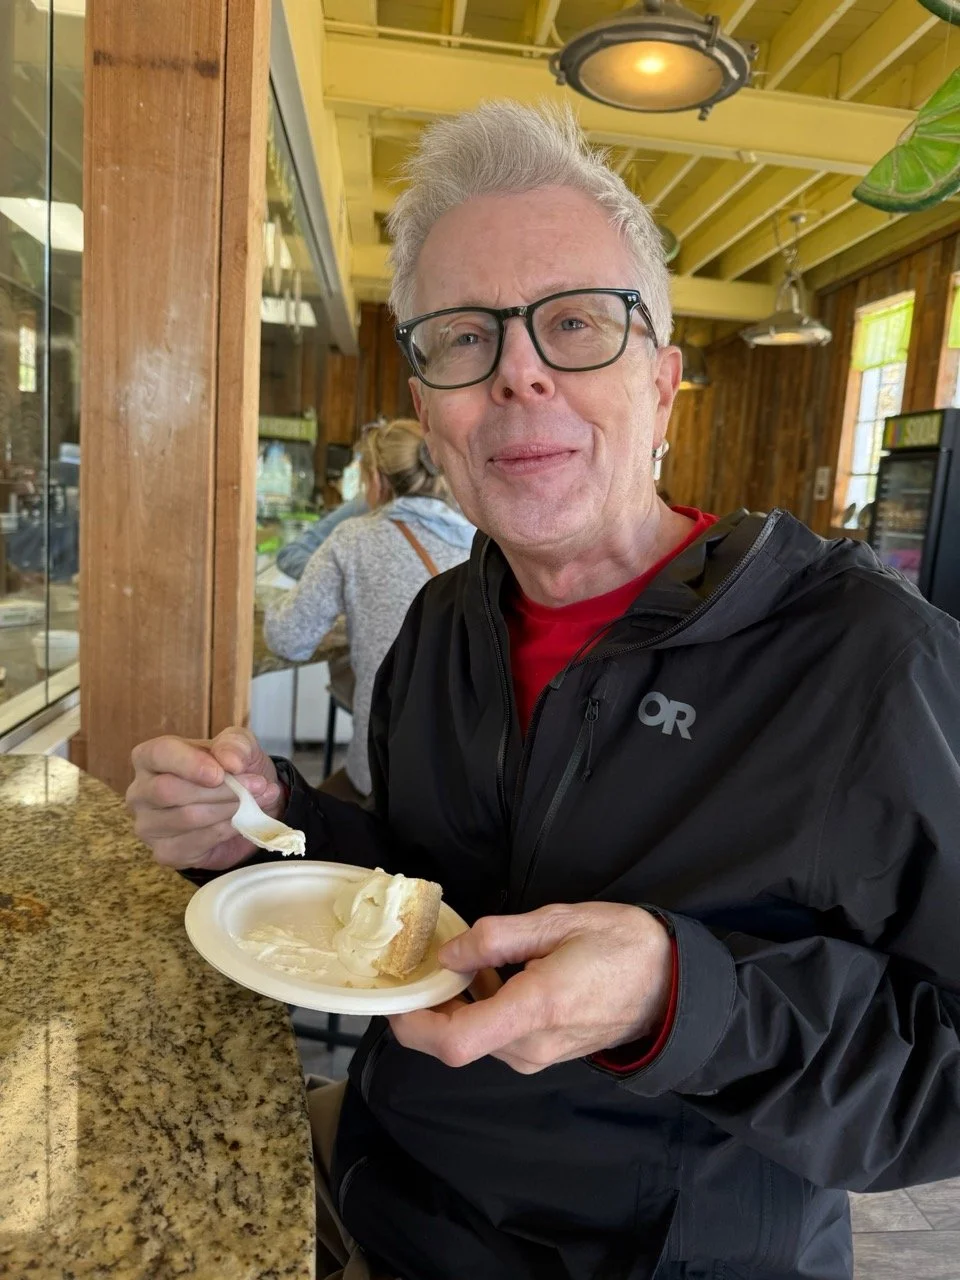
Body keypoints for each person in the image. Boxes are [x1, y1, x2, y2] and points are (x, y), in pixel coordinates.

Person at [127, 102, 960, 1280]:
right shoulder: (442, 622)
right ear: (430, 410)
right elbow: (422, 892)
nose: (519, 373)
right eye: (464, 338)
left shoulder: (874, 662)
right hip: (391, 1210)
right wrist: (266, 827)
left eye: (575, 323)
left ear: (663, 383)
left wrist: (683, 999)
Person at [265, 418, 475, 802]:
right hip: (467, 771)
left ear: (377, 481)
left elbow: (288, 638)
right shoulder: (483, 541)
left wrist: (273, 605)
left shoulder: (355, 538)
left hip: (384, 767)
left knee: (302, 813)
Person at [275, 431, 375, 581]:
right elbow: (290, 554)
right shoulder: (362, 506)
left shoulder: (366, 505)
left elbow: (289, 554)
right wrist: (338, 582)